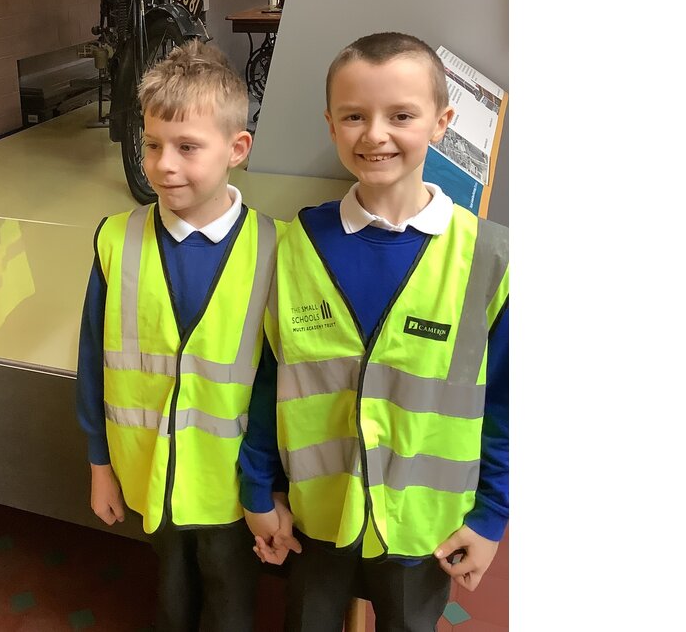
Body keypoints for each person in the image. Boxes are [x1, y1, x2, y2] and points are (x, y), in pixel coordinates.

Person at [243, 32, 509, 632]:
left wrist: (492, 516)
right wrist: (261, 489)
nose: (375, 134)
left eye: (402, 116)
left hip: (425, 531)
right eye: (354, 116)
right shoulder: (295, 246)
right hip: (317, 517)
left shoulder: (488, 260)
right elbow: (269, 380)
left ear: (442, 124)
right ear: (331, 125)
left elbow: (505, 405)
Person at [75, 39, 284, 632]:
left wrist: (264, 487)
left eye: (187, 147)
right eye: (152, 145)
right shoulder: (116, 239)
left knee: (230, 605)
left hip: (231, 487)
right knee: (171, 600)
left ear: (236, 149)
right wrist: (99, 463)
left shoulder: (275, 249)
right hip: (150, 474)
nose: (164, 165)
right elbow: (93, 361)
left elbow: (278, 382)